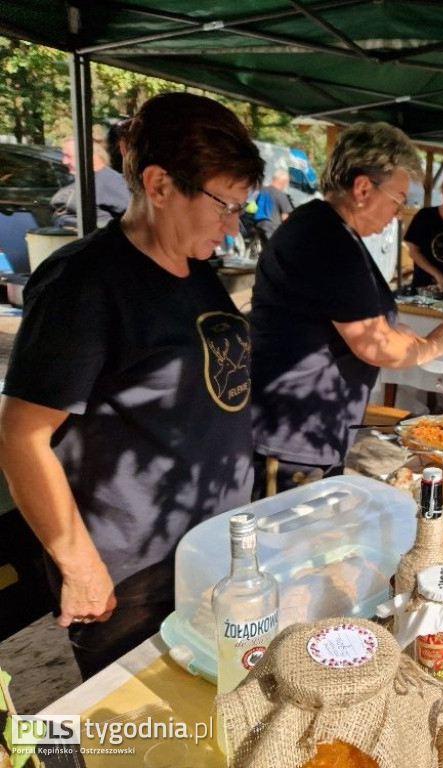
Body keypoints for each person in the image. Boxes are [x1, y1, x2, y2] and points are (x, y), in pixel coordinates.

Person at [0, 93, 263, 678]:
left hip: (207, 550)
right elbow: (21, 437)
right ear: (160, 184)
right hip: (133, 572)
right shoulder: (85, 283)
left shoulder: (197, 271)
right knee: (146, 729)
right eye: (224, 205)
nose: (233, 225)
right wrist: (79, 565)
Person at [249, 123, 443, 497]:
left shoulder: (329, 231)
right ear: (363, 188)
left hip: (312, 429)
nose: (399, 214)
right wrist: (433, 345)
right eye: (398, 200)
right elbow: (375, 345)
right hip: (293, 436)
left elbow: (357, 322)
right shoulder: (327, 240)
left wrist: (404, 334)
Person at [49, 124, 130, 230]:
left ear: (88, 155)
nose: (64, 161)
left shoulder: (111, 182)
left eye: (69, 156)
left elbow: (137, 217)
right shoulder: (81, 181)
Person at [253, 169, 294, 244]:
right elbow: (285, 217)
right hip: (272, 229)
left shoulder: (262, 190)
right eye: (286, 182)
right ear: (283, 182)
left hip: (258, 224)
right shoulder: (281, 196)